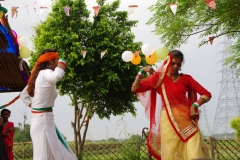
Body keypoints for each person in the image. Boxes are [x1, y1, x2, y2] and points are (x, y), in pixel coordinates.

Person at [131, 50, 212, 160]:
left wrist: (195, 106)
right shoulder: (159, 78)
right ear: (167, 61)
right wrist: (141, 70)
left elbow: (206, 94)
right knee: (171, 155)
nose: (175, 66)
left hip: (188, 120)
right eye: (173, 63)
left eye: (178, 64)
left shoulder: (186, 79)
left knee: (194, 153)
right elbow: (135, 88)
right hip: (169, 121)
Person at [20, 49, 77, 160]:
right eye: (56, 60)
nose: (57, 63)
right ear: (51, 61)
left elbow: (23, 95)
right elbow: (57, 76)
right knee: (47, 155)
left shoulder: (38, 76)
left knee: (53, 153)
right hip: (43, 121)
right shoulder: (45, 74)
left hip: (42, 120)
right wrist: (63, 62)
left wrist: (36, 108)